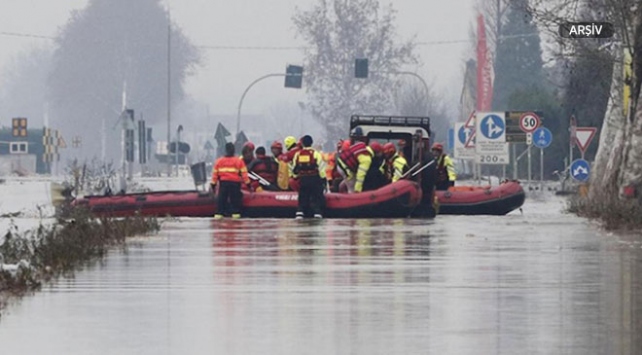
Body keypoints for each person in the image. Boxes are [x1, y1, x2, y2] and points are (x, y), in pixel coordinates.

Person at [211, 142, 251, 219]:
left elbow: (215, 175)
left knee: (221, 202)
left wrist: (213, 185)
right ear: (234, 150)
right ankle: (236, 220)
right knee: (235, 203)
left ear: (226, 150)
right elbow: (244, 175)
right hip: (235, 184)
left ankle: (218, 218)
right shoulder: (238, 161)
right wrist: (248, 185)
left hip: (223, 184)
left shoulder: (219, 161)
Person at [293, 135, 326, 219]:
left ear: (302, 143)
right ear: (311, 143)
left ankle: (300, 212)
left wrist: (295, 177)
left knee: (303, 196)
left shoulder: (297, 154)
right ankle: (317, 212)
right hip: (314, 178)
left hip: (303, 179)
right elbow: (321, 168)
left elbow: (294, 169)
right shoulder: (316, 154)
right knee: (316, 195)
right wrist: (323, 179)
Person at [337, 127, 373, 193]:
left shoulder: (362, 147)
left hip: (342, 164)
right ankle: (351, 201)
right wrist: (358, 190)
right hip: (345, 168)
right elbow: (361, 174)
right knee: (352, 188)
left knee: (350, 184)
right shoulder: (366, 159)